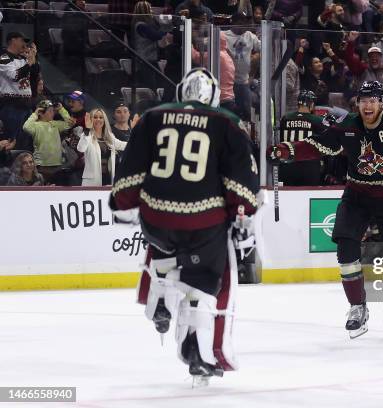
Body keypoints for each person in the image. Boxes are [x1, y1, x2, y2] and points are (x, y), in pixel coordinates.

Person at [109, 68, 259, 383]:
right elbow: (240, 183)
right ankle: (197, 351)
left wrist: (123, 205)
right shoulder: (226, 124)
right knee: (204, 282)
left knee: (164, 246)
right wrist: (243, 216)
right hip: (203, 221)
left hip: (156, 218)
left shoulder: (152, 117)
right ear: (214, 96)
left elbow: (132, 166)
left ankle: (162, 290)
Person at [268, 81, 383, 339]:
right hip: (358, 194)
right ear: (357, 104)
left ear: (380, 103)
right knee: (345, 248)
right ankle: (357, 307)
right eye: (363, 101)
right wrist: (287, 151)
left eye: (372, 100)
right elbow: (318, 145)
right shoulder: (348, 125)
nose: (368, 105)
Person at [278, 90, 328, 186]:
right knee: (309, 195)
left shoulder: (286, 118)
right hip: (309, 166)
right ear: (311, 104)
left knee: (288, 196)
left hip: (287, 165)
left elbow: (282, 140)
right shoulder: (317, 120)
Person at [0, 32, 39, 151]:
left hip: (26, 105)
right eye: (22, 40)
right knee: (12, 140)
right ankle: (11, 166)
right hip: (11, 105)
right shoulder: (4, 58)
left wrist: (33, 58)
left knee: (26, 140)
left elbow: (34, 75)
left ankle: (26, 163)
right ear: (13, 40)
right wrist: (28, 63)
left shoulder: (23, 59)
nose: (24, 44)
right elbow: (14, 75)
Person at [22, 100, 74, 184]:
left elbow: (69, 123)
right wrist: (35, 114)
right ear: (41, 113)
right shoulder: (35, 125)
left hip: (57, 165)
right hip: (41, 166)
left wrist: (61, 109)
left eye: (53, 111)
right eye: (50, 111)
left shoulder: (55, 124)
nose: (52, 113)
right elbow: (26, 127)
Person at [76, 109, 127, 186]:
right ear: (91, 119)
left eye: (101, 117)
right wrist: (87, 130)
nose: (98, 119)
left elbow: (124, 145)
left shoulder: (109, 137)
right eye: (95, 117)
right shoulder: (87, 135)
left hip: (108, 179)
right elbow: (81, 148)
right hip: (92, 182)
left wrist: (137, 132)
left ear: (104, 120)